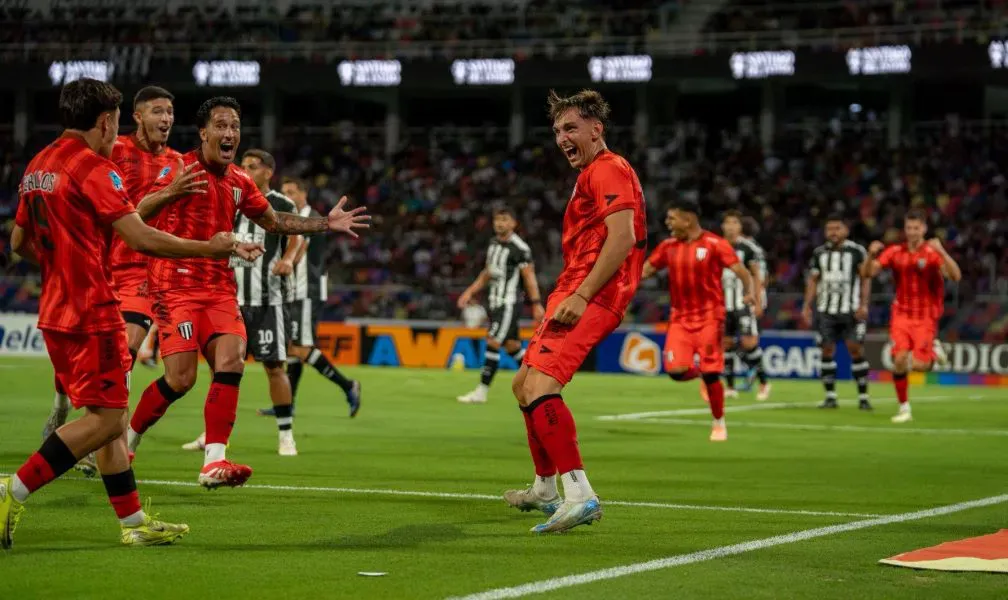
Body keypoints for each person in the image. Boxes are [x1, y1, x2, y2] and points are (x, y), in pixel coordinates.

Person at [2, 78, 262, 549]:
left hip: (53, 310)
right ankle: (12, 489)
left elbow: (19, 243)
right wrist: (209, 248)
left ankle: (133, 522)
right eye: (117, 121)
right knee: (106, 422)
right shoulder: (94, 168)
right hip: (94, 309)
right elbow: (140, 237)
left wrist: (65, 261)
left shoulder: (38, 165)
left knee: (110, 418)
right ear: (105, 122)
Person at [125, 96, 370, 488]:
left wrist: (325, 222)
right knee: (181, 380)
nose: (229, 133)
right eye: (221, 126)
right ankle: (129, 438)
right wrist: (171, 192)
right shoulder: (177, 167)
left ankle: (214, 462)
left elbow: (274, 222)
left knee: (233, 357)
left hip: (220, 287)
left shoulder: (239, 181)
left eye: (235, 126)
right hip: (175, 286)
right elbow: (136, 213)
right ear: (203, 132)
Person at [38, 85, 204, 476]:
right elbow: (122, 214)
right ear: (138, 116)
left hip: (142, 274)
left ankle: (108, 442)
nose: (166, 119)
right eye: (158, 111)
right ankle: (63, 409)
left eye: (170, 112)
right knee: (83, 357)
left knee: (126, 347)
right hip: (98, 266)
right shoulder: (111, 153)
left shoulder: (181, 164)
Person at [503, 89, 647, 534]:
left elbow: (621, 238)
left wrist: (582, 294)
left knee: (543, 383)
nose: (562, 138)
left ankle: (580, 494)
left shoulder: (609, 168)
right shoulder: (590, 174)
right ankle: (545, 489)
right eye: (557, 131)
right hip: (575, 288)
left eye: (571, 128)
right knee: (523, 384)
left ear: (596, 129)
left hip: (594, 293)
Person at [182, 150, 303, 456]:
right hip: (229, 299)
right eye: (243, 166)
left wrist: (288, 259)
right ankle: (213, 435)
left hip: (268, 300)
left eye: (252, 167)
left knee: (275, 367)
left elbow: (297, 235)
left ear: (268, 172)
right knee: (219, 369)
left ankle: (286, 434)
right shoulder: (233, 198)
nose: (245, 170)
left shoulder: (282, 204)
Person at [643, 201, 754, 442]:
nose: (667, 223)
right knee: (675, 371)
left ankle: (718, 423)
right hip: (680, 319)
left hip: (710, 317)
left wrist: (749, 292)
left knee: (713, 372)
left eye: (672, 218)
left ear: (688, 220)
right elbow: (645, 271)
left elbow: (742, 271)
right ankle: (702, 375)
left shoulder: (715, 244)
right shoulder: (668, 246)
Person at [256, 176, 362, 419]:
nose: (287, 197)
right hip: (293, 290)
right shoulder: (291, 216)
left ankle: (348, 385)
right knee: (292, 350)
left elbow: (299, 247)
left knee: (299, 348)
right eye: (284, 192)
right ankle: (287, 403)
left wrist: (285, 262)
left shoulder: (310, 218)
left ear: (303, 193)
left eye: (292, 192)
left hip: (307, 290)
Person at [865, 209, 961, 423]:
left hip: (926, 316)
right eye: (909, 228)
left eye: (916, 228)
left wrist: (943, 252)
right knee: (899, 360)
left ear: (924, 229)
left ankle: (934, 353)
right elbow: (868, 273)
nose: (912, 232)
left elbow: (955, 276)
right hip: (901, 314)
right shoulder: (895, 251)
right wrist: (870, 255)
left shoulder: (932, 252)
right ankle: (904, 408)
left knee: (918, 365)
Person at [456, 207, 545, 404]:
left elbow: (529, 277)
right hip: (495, 303)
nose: (500, 223)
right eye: (497, 219)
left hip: (509, 303)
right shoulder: (494, 243)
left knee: (492, 341)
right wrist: (470, 291)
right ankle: (539, 383)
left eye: (504, 219)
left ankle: (481, 392)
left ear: (514, 223)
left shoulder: (520, 249)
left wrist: (537, 304)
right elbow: (488, 272)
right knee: (512, 346)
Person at [801, 213, 873, 410]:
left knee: (855, 348)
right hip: (826, 310)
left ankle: (863, 397)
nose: (833, 232)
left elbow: (866, 278)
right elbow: (813, 281)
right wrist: (807, 305)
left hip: (851, 310)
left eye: (837, 228)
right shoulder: (819, 253)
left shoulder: (857, 251)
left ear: (846, 230)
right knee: (826, 349)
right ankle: (830, 397)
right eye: (829, 229)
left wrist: (864, 304)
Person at [720, 210, 770, 401]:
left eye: (735, 222)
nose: (731, 226)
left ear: (740, 227)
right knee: (727, 344)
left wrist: (757, 301)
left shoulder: (750, 249)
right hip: (723, 304)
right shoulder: (715, 246)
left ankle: (764, 382)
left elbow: (759, 276)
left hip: (744, 303)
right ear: (723, 226)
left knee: (749, 343)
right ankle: (730, 387)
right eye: (727, 222)